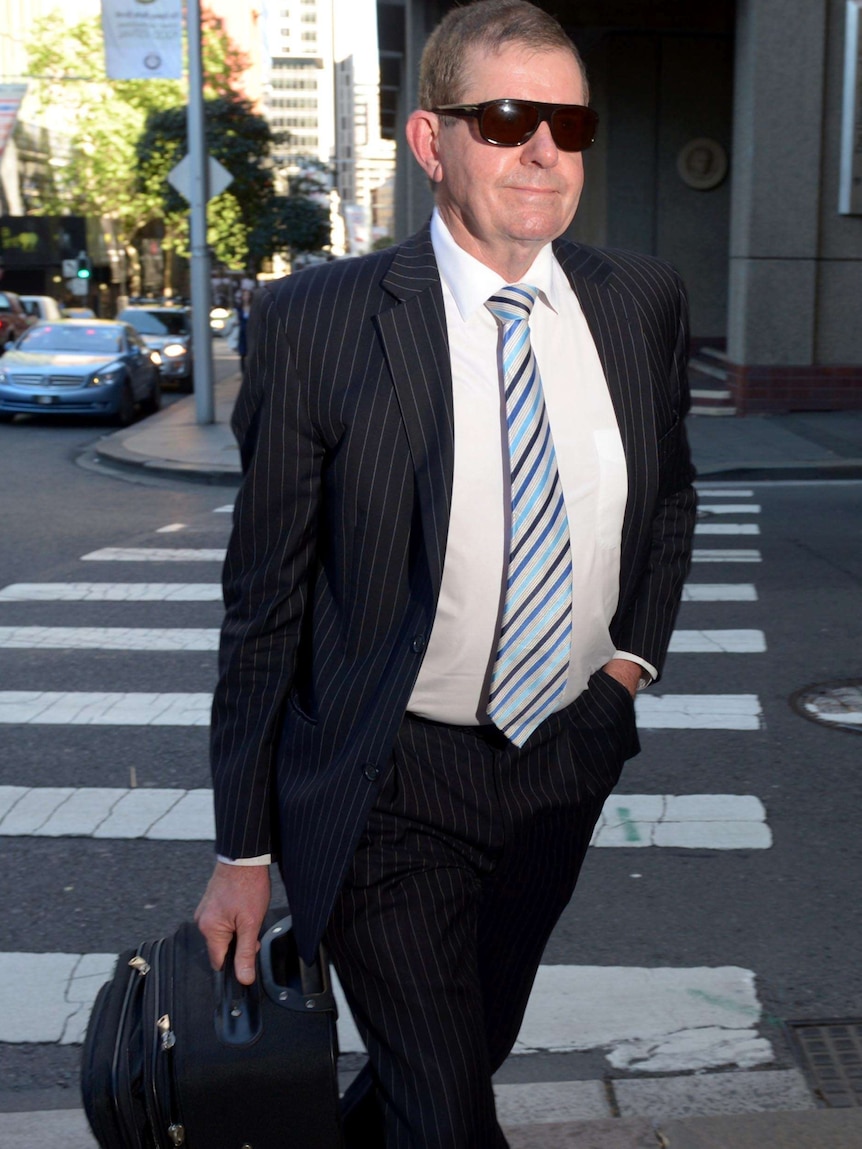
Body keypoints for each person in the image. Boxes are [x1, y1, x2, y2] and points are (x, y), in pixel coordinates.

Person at [195, 1, 696, 1145]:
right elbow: (264, 601)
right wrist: (241, 848)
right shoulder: (318, 322)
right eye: (508, 116)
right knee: (450, 1116)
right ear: (431, 142)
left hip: (559, 758)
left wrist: (625, 670)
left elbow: (670, 499)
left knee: (464, 1056)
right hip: (387, 781)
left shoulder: (639, 302)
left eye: (568, 123)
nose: (541, 151)